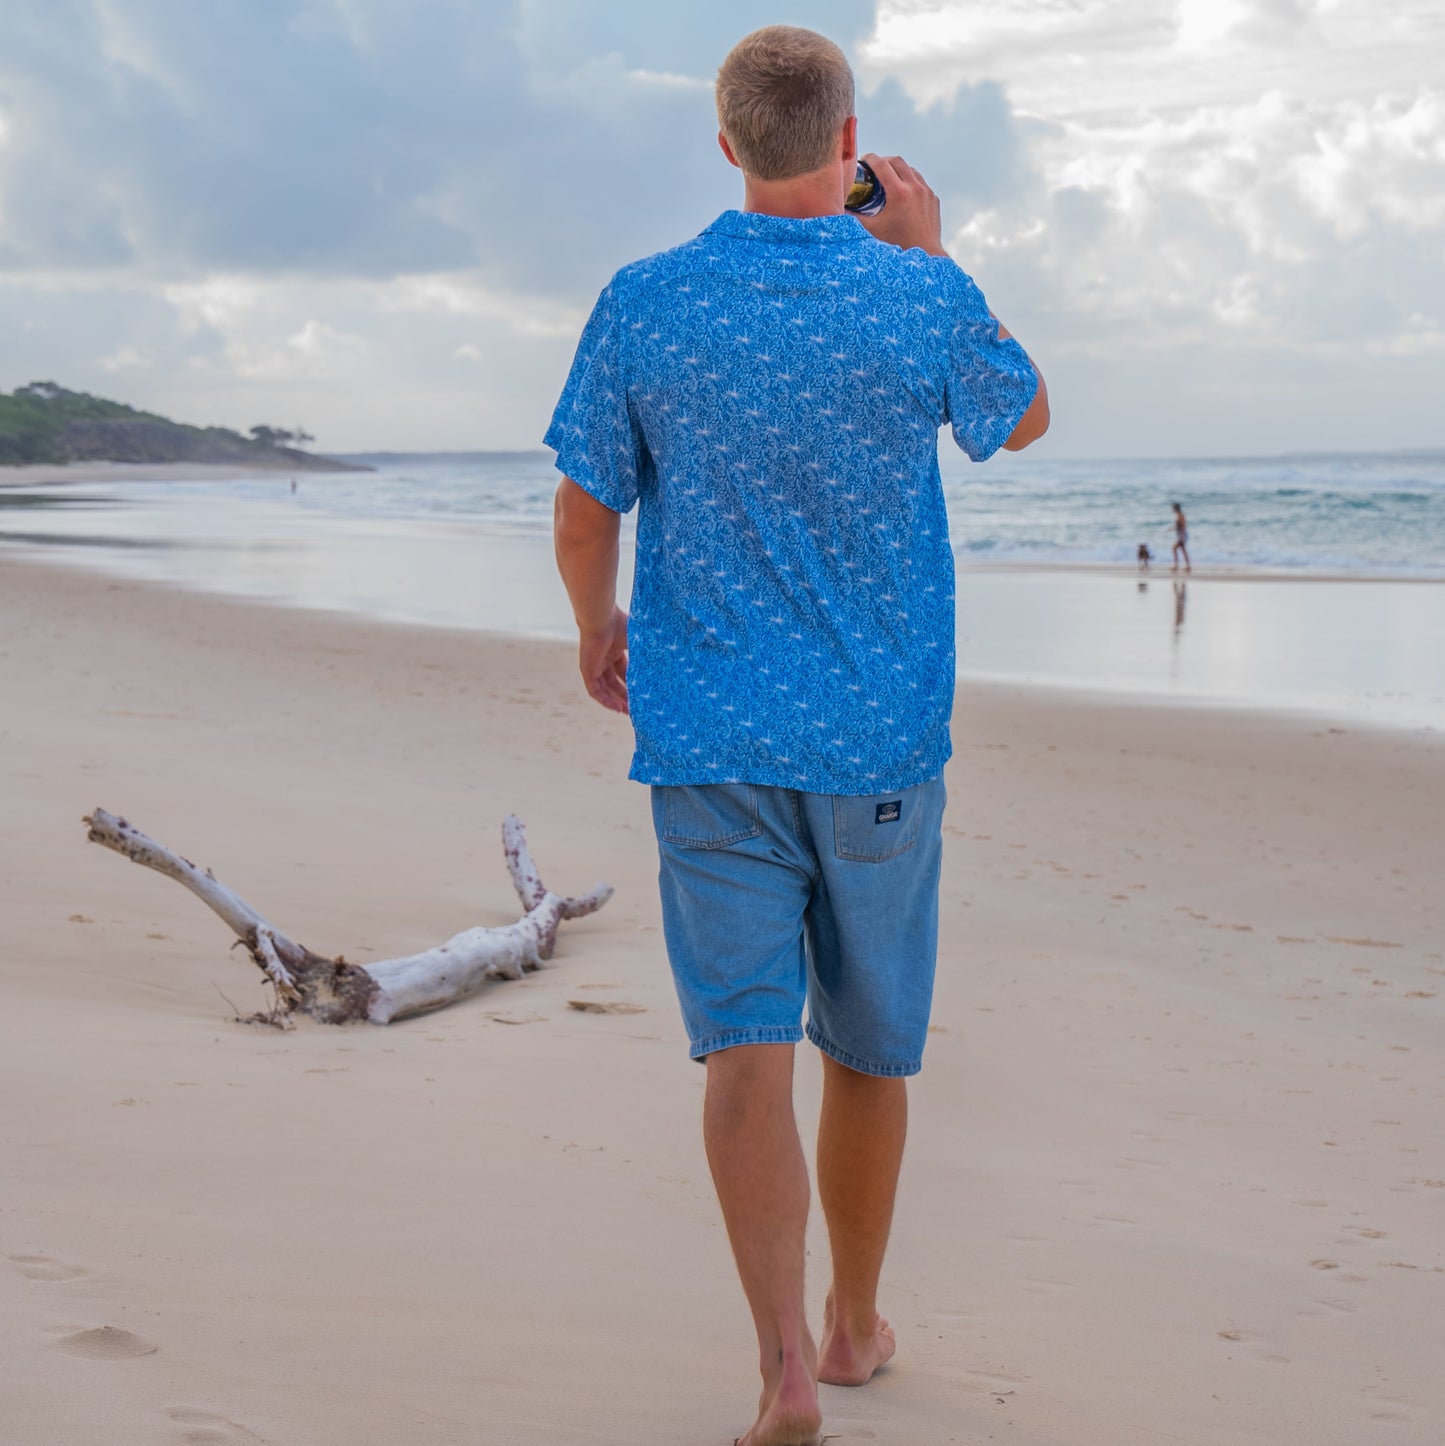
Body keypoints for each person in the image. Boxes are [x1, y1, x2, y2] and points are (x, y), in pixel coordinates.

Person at [548, 25, 1048, 1446]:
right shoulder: (909, 291)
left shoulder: (644, 300)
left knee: (744, 1052)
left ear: (725, 146)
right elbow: (1021, 418)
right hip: (881, 737)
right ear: (850, 142)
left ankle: (774, 1362)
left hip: (708, 731)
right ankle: (851, 1325)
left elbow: (588, 506)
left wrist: (596, 620)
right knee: (870, 1049)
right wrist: (933, 254)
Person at [1172, 501, 1191, 572]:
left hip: (1182, 535)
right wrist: (1172, 529)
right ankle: (1187, 566)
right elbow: (1178, 526)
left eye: (1173, 508)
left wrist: (1182, 536)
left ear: (1176, 508)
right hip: (1180, 534)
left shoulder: (1180, 515)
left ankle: (1177, 566)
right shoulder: (1178, 515)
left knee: (1174, 549)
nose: (1172, 509)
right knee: (1182, 550)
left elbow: (1183, 526)